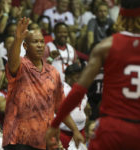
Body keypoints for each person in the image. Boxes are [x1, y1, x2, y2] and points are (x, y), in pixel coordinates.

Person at [46, 0, 140, 150]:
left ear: (120, 16)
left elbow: (78, 90)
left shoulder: (106, 46)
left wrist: (56, 123)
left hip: (112, 127)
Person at [2, 17, 84, 150]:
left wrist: (75, 130)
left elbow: (60, 107)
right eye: (35, 42)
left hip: (44, 140)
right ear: (25, 46)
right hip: (18, 139)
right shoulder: (21, 65)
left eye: (41, 42)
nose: (40, 45)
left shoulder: (53, 72)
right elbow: (12, 60)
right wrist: (17, 38)